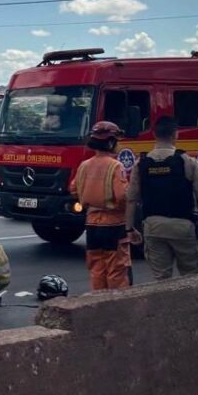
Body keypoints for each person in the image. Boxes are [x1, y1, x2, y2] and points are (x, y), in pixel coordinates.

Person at [125, 116, 198, 280]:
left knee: (161, 279)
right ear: (175, 135)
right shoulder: (187, 162)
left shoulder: (140, 164)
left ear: (154, 135)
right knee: (193, 278)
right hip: (183, 227)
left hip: (153, 227)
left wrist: (129, 229)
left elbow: (131, 199)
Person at [70, 121, 131, 290]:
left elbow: (73, 189)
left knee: (97, 269)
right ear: (111, 142)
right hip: (114, 225)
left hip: (92, 226)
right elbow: (123, 196)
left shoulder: (84, 166)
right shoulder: (115, 166)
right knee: (116, 270)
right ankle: (116, 307)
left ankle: (97, 305)